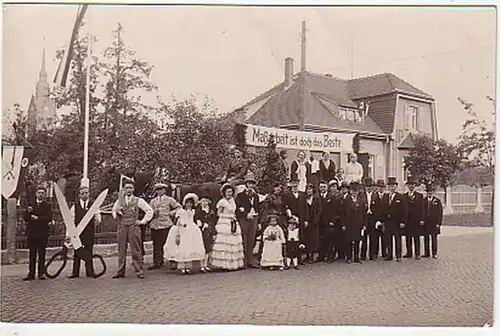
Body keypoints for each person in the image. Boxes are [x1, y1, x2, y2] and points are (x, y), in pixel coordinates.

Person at [111, 178, 154, 279]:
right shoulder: (119, 200)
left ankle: (139, 270)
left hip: (133, 227)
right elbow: (113, 210)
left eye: (130, 188)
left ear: (133, 189)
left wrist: (142, 221)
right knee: (121, 250)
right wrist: (116, 212)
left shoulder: (139, 200)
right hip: (122, 226)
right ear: (124, 189)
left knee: (136, 249)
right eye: (127, 188)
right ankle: (120, 271)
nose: (129, 190)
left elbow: (149, 211)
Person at [164, 193, 206, 274]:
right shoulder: (180, 211)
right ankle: (182, 266)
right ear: (185, 203)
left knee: (189, 247)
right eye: (188, 203)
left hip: (191, 229)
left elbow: (193, 219)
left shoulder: (192, 211)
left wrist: (197, 223)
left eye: (191, 203)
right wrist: (182, 224)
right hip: (182, 229)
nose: (189, 204)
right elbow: (177, 220)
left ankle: (188, 266)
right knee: (182, 247)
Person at [68, 185, 102, 278]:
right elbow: (71, 219)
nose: (84, 195)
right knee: (77, 251)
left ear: (89, 194)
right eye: (82, 193)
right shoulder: (75, 206)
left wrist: (90, 226)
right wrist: (70, 233)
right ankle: (75, 272)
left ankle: (90, 271)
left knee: (88, 251)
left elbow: (98, 219)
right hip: (78, 233)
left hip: (89, 232)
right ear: (79, 195)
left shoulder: (93, 205)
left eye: (86, 193)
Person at [210, 183, 245, 270]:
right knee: (225, 241)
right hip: (224, 221)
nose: (229, 193)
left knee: (233, 241)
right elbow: (218, 213)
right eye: (228, 192)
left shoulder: (233, 201)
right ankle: (223, 264)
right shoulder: (222, 202)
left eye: (231, 192)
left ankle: (233, 264)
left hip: (232, 221)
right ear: (224, 193)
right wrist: (227, 217)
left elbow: (234, 211)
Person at [148, 183, 181, 270]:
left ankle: (172, 261)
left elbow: (179, 207)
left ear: (164, 190)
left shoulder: (169, 199)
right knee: (156, 244)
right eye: (157, 190)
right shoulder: (153, 201)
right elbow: (149, 211)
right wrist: (153, 213)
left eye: (161, 189)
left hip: (166, 224)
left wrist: (171, 213)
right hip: (155, 224)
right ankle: (157, 262)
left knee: (169, 243)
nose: (159, 191)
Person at [23, 186, 53, 281]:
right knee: (32, 254)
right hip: (32, 233)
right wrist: (28, 212)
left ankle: (41, 273)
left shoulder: (47, 205)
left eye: (42, 193)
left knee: (42, 254)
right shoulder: (31, 204)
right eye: (39, 192)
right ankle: (31, 273)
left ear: (45, 195)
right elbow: (25, 218)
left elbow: (49, 217)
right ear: (36, 194)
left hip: (42, 233)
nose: (40, 194)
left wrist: (38, 219)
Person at [235, 173, 261, 268]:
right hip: (244, 219)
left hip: (254, 218)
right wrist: (245, 214)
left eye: (252, 183)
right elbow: (237, 209)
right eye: (249, 183)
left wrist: (257, 218)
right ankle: (244, 261)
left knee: (251, 239)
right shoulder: (240, 195)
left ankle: (250, 260)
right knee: (244, 239)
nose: (250, 185)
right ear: (246, 184)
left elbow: (257, 207)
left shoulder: (256, 195)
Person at [382, 177, 408, 262]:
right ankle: (389, 255)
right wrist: (383, 221)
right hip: (388, 222)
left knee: (397, 239)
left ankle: (398, 256)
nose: (391, 188)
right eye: (390, 186)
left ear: (396, 186)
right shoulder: (385, 197)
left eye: (393, 186)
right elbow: (383, 209)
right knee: (388, 239)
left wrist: (403, 221)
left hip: (397, 222)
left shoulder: (401, 197)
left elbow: (404, 211)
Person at [341, 181, 366, 264]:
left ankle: (356, 257)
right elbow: (343, 213)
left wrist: (364, 224)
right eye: (353, 191)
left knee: (357, 241)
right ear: (350, 191)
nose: (354, 192)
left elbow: (364, 214)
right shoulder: (346, 200)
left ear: (358, 191)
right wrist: (343, 224)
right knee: (348, 241)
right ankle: (349, 257)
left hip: (358, 224)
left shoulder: (361, 201)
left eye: (356, 191)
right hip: (349, 224)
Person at [283, 177, 307, 264]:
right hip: (291, 220)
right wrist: (290, 214)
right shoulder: (287, 195)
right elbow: (285, 206)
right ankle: (290, 259)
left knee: (299, 238)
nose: (295, 184)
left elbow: (306, 208)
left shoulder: (302, 195)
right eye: (293, 183)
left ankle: (299, 259)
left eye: (296, 182)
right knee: (291, 239)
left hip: (300, 219)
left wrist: (305, 220)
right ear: (290, 184)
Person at [359, 178, 383, 261]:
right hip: (364, 218)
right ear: (364, 187)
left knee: (373, 237)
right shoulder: (361, 195)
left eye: (370, 186)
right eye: (367, 186)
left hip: (373, 218)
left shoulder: (376, 196)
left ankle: (372, 254)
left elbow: (379, 209)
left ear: (372, 187)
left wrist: (378, 220)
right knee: (364, 237)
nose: (368, 188)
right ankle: (363, 255)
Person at [404, 177, 425, 260]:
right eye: (409, 185)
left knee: (416, 237)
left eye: (412, 185)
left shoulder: (419, 196)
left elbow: (422, 209)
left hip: (416, 220)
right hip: (408, 220)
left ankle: (417, 253)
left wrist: (422, 219)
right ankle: (409, 252)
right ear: (407, 186)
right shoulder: (404, 196)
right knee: (408, 237)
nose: (411, 187)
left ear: (415, 186)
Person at [195, 195, 217, 272]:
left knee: (208, 247)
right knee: (203, 246)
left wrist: (214, 232)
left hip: (210, 229)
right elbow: (197, 219)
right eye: (203, 201)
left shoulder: (211, 210)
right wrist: (201, 223)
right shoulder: (198, 211)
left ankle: (206, 264)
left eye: (206, 201)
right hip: (202, 230)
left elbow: (213, 220)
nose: (204, 203)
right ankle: (201, 265)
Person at [303, 183, 322, 263]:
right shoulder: (304, 199)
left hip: (314, 221)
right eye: (307, 189)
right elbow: (302, 209)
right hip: (307, 221)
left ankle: (312, 255)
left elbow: (319, 210)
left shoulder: (316, 199)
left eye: (310, 189)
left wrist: (316, 219)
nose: (309, 191)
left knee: (313, 238)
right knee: (306, 237)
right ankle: (307, 254)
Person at [423, 183, 443, 259]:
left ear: (433, 192)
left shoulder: (437, 201)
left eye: (431, 191)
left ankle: (434, 253)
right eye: (428, 192)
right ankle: (427, 253)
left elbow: (440, 213)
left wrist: (438, 223)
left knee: (434, 239)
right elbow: (422, 211)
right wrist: (422, 220)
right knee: (426, 238)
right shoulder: (423, 200)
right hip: (426, 223)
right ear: (426, 193)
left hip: (434, 223)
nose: (429, 193)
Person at [375, 179, 388, 258]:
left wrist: (384, 220)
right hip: (376, 219)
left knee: (385, 237)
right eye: (379, 187)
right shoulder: (374, 196)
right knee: (375, 237)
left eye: (382, 187)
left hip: (385, 220)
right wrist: (376, 220)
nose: (381, 188)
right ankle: (375, 253)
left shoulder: (387, 196)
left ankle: (384, 253)